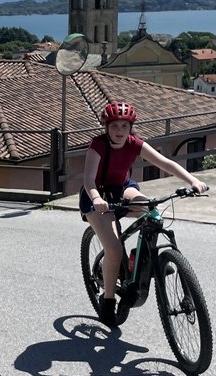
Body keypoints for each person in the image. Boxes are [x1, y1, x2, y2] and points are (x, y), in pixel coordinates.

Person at [80, 100, 208, 326]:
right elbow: (89, 178)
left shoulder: (134, 144)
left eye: (124, 126)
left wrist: (193, 180)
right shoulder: (98, 145)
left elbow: (165, 163)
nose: (119, 131)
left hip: (121, 188)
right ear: (106, 127)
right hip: (97, 196)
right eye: (114, 126)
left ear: (131, 128)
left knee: (153, 213)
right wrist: (97, 199)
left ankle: (143, 262)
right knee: (113, 248)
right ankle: (108, 299)